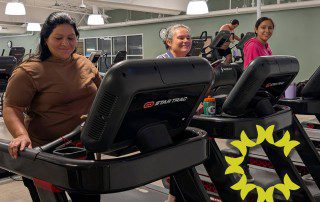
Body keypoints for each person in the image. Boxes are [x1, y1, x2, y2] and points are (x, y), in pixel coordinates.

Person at [4, 12, 101, 202]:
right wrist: (21, 135)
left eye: (71, 37)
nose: (65, 43)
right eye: (58, 37)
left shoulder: (85, 63)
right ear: (45, 39)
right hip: (45, 153)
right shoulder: (29, 70)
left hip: (81, 147)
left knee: (89, 198)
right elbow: (11, 107)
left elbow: (104, 93)